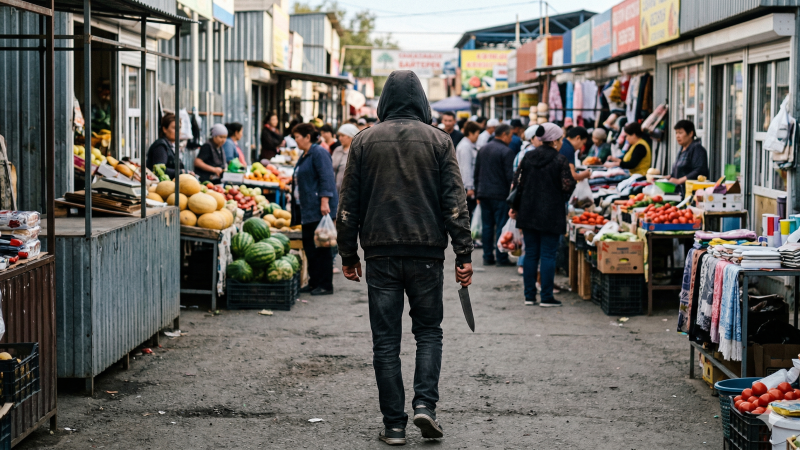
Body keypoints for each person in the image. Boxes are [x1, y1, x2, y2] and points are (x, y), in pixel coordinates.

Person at [336, 70, 473, 446]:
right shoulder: (440, 140)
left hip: (380, 255)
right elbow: (454, 203)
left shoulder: (363, 141)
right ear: (422, 101)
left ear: (383, 102)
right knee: (429, 332)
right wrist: (464, 253)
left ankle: (394, 426)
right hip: (427, 254)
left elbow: (348, 205)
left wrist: (348, 253)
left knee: (385, 342)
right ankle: (425, 405)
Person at [509, 123, 576, 307]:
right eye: (560, 139)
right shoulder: (560, 159)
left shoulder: (528, 157)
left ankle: (529, 296)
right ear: (554, 140)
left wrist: (515, 207)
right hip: (551, 213)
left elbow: (517, 183)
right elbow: (568, 185)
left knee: (531, 254)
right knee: (548, 255)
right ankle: (546, 296)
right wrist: (561, 196)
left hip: (528, 211)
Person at [292, 123, 338, 296]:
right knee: (310, 248)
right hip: (307, 209)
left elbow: (326, 178)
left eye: (297, 137)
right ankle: (314, 282)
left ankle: (325, 285)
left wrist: (325, 201)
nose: (295, 140)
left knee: (322, 247)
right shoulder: (305, 155)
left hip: (319, 209)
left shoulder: (318, 152)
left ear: (307, 137)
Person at [474, 123, 516, 266]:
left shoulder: (483, 149)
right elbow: (510, 176)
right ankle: (501, 257)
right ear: (504, 134)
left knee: (487, 226)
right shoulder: (506, 151)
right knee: (500, 226)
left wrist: (478, 192)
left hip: (484, 193)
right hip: (500, 195)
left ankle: (487, 256)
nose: (511, 139)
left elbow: (477, 172)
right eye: (510, 136)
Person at [668, 120, 709, 196]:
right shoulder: (682, 149)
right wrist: (668, 177)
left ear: (690, 133)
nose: (677, 136)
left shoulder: (697, 149)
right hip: (679, 193)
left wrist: (680, 180)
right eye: (676, 133)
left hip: (692, 194)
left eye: (680, 133)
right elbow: (678, 170)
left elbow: (699, 170)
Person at [146, 113, 185, 178]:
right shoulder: (160, 146)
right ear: (164, 129)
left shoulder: (171, 146)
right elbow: (160, 170)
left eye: (179, 127)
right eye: (175, 128)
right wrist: (182, 172)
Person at [456, 121, 481, 219]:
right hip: (467, 186)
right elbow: (466, 167)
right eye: (477, 134)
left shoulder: (468, 145)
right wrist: (469, 187)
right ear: (470, 133)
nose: (478, 136)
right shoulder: (465, 147)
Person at [332, 123, 358, 193]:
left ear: (351, 136)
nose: (340, 138)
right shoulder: (337, 150)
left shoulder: (356, 151)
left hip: (348, 192)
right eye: (339, 136)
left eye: (343, 135)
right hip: (334, 191)